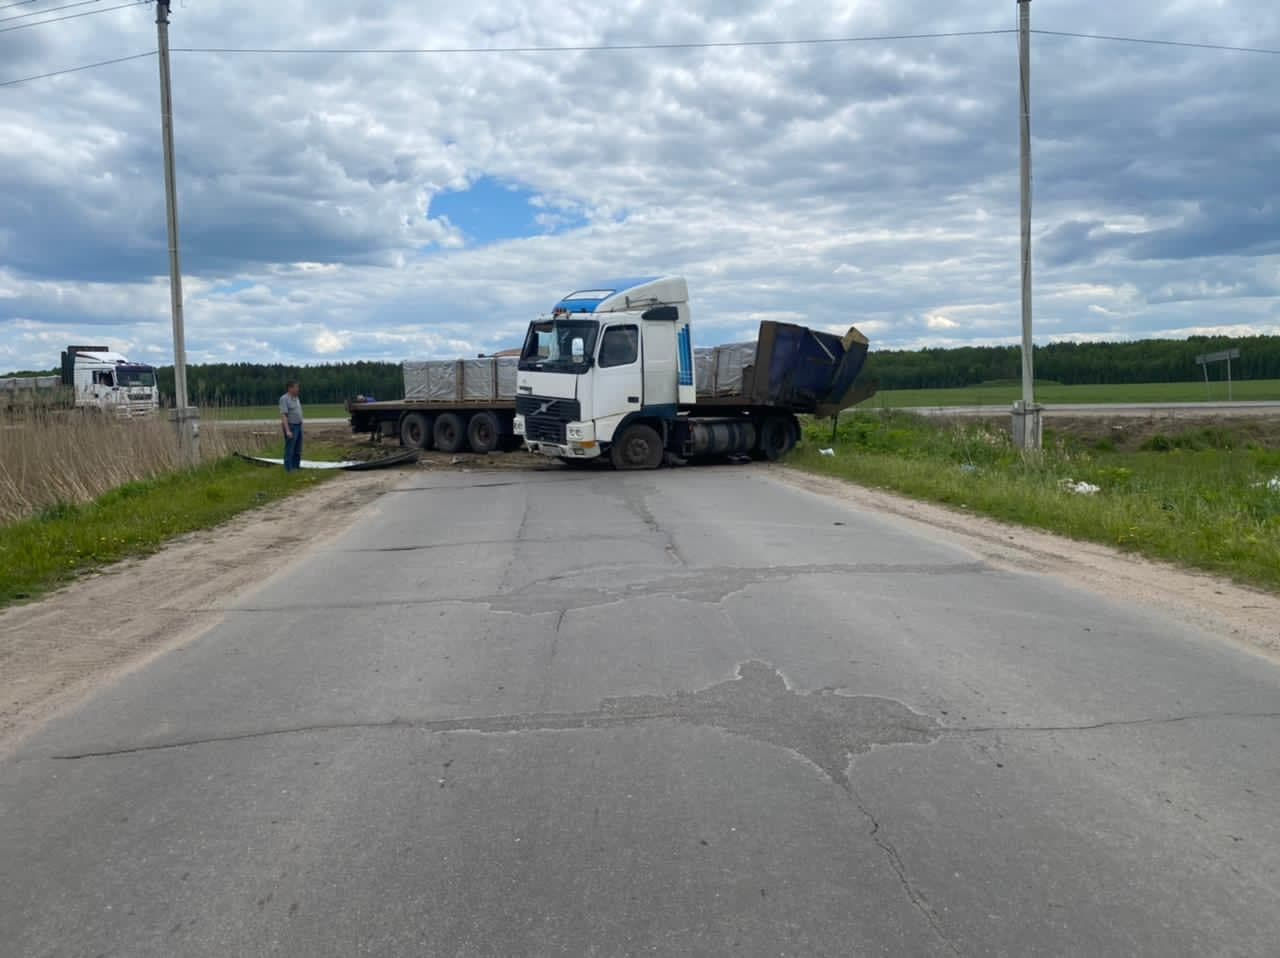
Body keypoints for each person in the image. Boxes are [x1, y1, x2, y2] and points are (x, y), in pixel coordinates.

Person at [279, 380, 303, 471]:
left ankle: (296, 467)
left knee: (298, 449)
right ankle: (289, 469)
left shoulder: (296, 398)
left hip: (298, 425)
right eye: (296, 387)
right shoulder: (284, 399)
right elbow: (284, 415)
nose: (298, 389)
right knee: (290, 449)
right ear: (290, 388)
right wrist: (288, 430)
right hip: (291, 426)